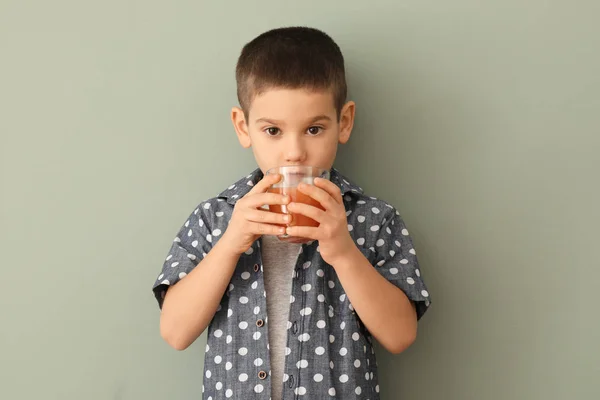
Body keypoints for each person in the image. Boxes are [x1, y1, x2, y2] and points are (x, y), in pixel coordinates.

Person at [152, 26, 431, 400]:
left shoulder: (373, 220)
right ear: (243, 126)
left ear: (344, 123)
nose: (294, 152)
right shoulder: (215, 218)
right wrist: (231, 243)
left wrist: (344, 251)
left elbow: (400, 336)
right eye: (273, 131)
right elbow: (175, 332)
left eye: (314, 129)